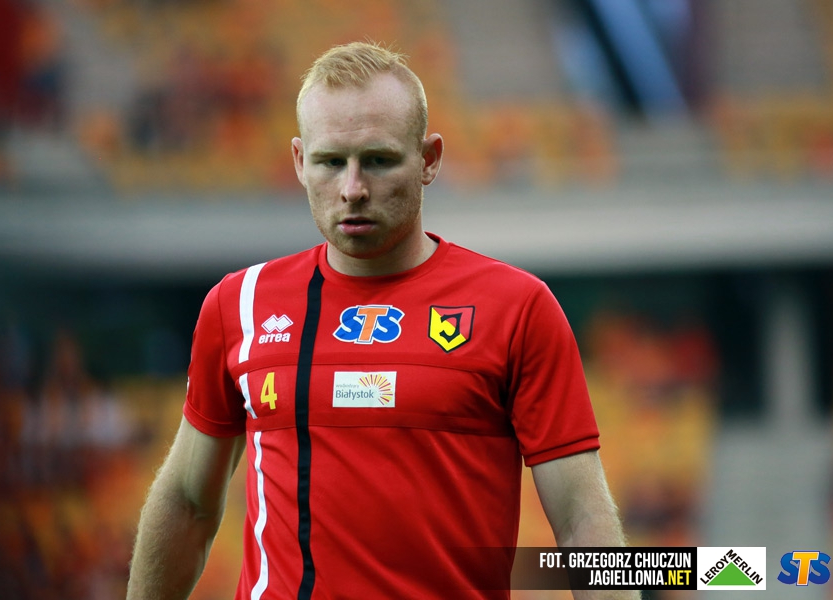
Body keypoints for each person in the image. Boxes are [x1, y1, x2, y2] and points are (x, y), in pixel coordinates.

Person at [128, 41, 637, 600]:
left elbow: (582, 523)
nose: (352, 189)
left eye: (378, 160)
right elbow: (188, 501)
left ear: (429, 159)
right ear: (299, 162)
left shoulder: (517, 308)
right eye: (330, 162)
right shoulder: (240, 304)